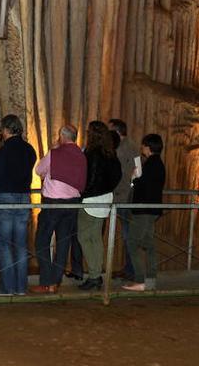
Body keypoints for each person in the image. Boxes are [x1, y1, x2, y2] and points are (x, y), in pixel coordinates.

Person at [31, 125, 86, 294]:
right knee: (63, 243)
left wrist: (53, 151)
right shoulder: (82, 155)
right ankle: (55, 282)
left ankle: (46, 281)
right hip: (72, 204)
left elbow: (39, 170)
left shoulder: (55, 153)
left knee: (41, 241)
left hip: (53, 203)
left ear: (61, 136)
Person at [0, 114, 37, 295]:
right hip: (24, 197)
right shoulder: (30, 150)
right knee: (21, 245)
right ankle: (21, 287)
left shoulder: (4, 151)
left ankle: (7, 287)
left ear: (6, 130)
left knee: (5, 245)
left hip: (5, 198)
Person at [77, 121, 124, 290]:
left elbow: (90, 177)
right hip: (106, 199)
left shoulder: (92, 153)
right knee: (96, 237)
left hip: (91, 200)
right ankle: (97, 274)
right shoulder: (110, 152)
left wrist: (83, 193)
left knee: (83, 237)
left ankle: (95, 274)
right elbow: (118, 175)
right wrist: (108, 188)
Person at [123, 133, 167, 292]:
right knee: (149, 244)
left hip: (144, 210)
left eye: (143, 145)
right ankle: (150, 280)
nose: (142, 148)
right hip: (152, 209)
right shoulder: (158, 164)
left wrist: (135, 178)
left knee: (133, 243)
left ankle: (140, 280)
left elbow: (143, 186)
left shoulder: (150, 165)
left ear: (148, 147)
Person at [110, 118, 140, 279]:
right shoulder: (134, 147)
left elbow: (136, 171)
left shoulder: (123, 148)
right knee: (126, 234)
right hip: (123, 194)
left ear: (116, 131)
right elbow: (139, 171)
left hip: (122, 196)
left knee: (128, 234)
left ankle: (132, 270)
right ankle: (128, 268)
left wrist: (128, 183)